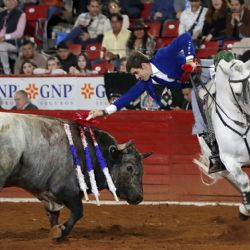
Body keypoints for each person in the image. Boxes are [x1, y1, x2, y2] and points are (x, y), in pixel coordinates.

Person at [86, 32, 196, 119]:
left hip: (202, 74)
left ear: (144, 66)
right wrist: (104, 111)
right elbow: (126, 97)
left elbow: (185, 37)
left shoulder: (162, 56)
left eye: (136, 73)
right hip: (193, 91)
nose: (136, 77)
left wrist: (190, 60)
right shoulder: (145, 82)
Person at [0, 0, 26, 74]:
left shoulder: (21, 14)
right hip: (1, 41)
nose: (10, 2)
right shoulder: (1, 14)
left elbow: (19, 33)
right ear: (4, 2)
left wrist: (5, 37)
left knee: (1, 47)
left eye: (12, 0)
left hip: (14, 42)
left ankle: (7, 72)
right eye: (7, 1)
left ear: (16, 2)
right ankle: (12, 57)